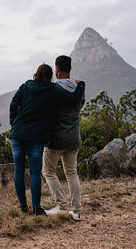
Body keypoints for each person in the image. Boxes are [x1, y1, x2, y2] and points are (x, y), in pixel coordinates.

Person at [9, 63, 85, 216]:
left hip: (18, 134)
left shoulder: (25, 86)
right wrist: (81, 84)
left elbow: (13, 105)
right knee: (36, 173)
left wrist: (14, 123)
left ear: (36, 73)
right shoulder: (52, 91)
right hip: (37, 137)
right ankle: (36, 208)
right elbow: (73, 98)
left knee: (19, 171)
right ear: (51, 75)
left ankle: (23, 206)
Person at [42, 55, 85, 221]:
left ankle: (61, 206)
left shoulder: (52, 90)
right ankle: (77, 211)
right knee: (72, 173)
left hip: (56, 139)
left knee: (48, 171)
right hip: (74, 138)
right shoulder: (79, 89)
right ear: (70, 69)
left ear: (57, 70)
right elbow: (79, 107)